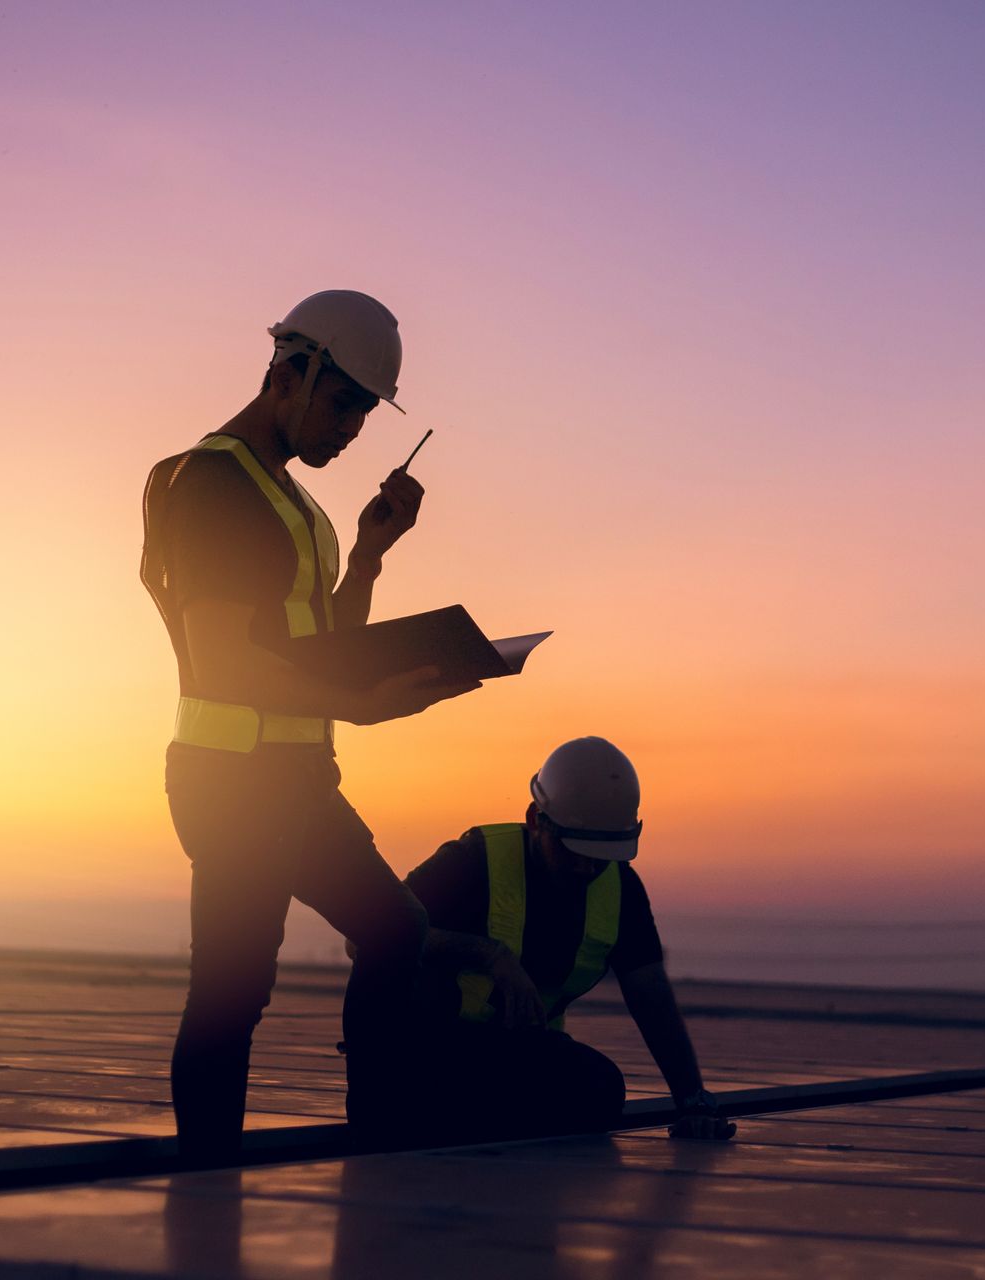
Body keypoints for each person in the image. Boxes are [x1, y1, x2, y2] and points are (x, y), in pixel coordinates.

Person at [140, 289, 479, 1163]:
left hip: (294, 780)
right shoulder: (213, 486)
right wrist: (358, 704)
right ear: (288, 373)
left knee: (395, 929)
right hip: (232, 783)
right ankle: (207, 1188)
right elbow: (220, 664)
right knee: (233, 991)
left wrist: (368, 552)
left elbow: (322, 646)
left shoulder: (291, 502)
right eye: (341, 406)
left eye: (364, 417)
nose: (349, 431)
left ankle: (375, 1132)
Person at [360, 736, 736, 1145]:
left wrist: (693, 1101)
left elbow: (651, 997)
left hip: (512, 1056)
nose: (586, 865)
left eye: (601, 853)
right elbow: (366, 939)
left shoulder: (619, 889)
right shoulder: (472, 861)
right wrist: (489, 955)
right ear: (536, 820)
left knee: (601, 1088)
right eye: (572, 849)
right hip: (424, 1047)